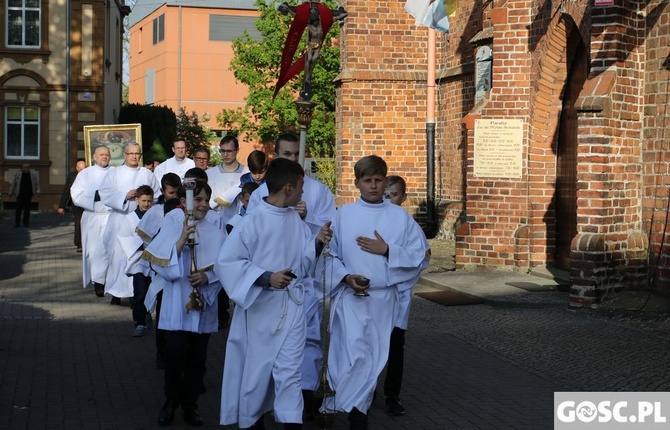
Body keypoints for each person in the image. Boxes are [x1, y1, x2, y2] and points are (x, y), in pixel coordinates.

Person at [216, 158, 332, 430]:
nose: (304, 192)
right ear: (289, 188)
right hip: (259, 312)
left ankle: (292, 422)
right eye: (301, 186)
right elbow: (228, 263)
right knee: (256, 375)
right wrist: (267, 277)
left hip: (292, 309)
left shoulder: (296, 221)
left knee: (291, 372)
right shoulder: (252, 222)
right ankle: (252, 422)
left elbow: (302, 266)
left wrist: (316, 243)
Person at [321, 155, 429, 430]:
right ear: (356, 183)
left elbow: (421, 255)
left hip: (383, 300)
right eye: (367, 180)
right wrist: (346, 277)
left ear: (385, 181)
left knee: (373, 359)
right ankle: (357, 415)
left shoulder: (399, 217)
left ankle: (357, 412)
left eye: (378, 180)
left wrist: (389, 250)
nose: (373, 186)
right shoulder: (343, 215)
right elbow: (329, 256)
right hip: (350, 298)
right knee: (355, 355)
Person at [246, 133, 336, 415]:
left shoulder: (318, 191)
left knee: (308, 338)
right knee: (270, 347)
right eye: (286, 154)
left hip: (304, 277)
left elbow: (326, 229)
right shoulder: (263, 194)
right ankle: (266, 402)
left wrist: (307, 218)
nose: (292, 158)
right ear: (276, 154)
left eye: (296, 153)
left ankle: (305, 394)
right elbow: (252, 240)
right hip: (271, 284)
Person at [142, 181, 225, 427]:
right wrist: (181, 240)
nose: (202, 205)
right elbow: (157, 263)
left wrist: (207, 276)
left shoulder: (216, 231)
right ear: (184, 203)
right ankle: (170, 402)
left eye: (205, 200)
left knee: (197, 361)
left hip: (203, 304)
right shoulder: (174, 225)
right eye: (197, 200)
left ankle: (190, 406)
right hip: (177, 303)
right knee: (175, 355)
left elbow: (227, 265)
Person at [382, 175, 430, 416]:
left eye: (394, 195)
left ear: (403, 197)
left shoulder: (407, 224)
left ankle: (392, 395)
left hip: (398, 294)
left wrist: (392, 255)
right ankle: (364, 392)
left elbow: (421, 256)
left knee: (395, 346)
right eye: (386, 194)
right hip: (373, 294)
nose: (389, 199)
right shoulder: (373, 218)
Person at [98, 143, 161, 304]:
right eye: (131, 153)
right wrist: (124, 197)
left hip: (142, 222)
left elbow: (157, 195)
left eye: (137, 153)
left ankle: (136, 293)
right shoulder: (115, 173)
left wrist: (145, 201)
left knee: (138, 257)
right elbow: (105, 193)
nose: (134, 156)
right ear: (125, 155)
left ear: (140, 155)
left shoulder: (147, 174)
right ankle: (116, 292)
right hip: (120, 219)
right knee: (118, 257)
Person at [136, 173, 182, 366]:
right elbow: (145, 235)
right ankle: (161, 352)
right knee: (163, 314)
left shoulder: (183, 210)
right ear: (163, 191)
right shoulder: (156, 211)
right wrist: (158, 248)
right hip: (163, 270)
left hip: (180, 270)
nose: (174, 195)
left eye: (176, 192)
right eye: (170, 192)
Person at [70, 146, 113, 294]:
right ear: (94, 156)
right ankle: (97, 282)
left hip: (110, 216)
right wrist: (95, 195)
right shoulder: (85, 174)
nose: (104, 157)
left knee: (110, 249)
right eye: (101, 154)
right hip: (93, 216)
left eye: (107, 155)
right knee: (94, 250)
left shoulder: (115, 172)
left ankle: (108, 280)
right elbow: (75, 194)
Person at [115, 185, 155, 337]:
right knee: (139, 292)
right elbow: (123, 237)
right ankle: (139, 322)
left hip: (154, 260)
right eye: (143, 201)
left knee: (153, 291)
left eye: (149, 201)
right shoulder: (129, 219)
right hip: (138, 260)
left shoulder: (156, 216)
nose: (146, 204)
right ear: (137, 199)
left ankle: (148, 313)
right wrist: (141, 245)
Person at [206, 135, 249, 211]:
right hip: (216, 218)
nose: (225, 155)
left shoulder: (247, 173)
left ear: (237, 150)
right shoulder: (209, 174)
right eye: (222, 151)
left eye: (229, 151)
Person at [58, 158, 87, 252]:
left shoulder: (89, 176)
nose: (83, 171)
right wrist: (61, 206)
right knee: (78, 223)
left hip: (88, 204)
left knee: (88, 224)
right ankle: (79, 244)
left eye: (84, 168)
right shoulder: (72, 177)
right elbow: (66, 191)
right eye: (81, 169)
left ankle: (88, 243)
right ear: (77, 168)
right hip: (77, 204)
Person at [9, 163, 40, 228]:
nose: (26, 168)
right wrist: (10, 192)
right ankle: (17, 223)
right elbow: (13, 184)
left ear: (29, 168)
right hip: (19, 194)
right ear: (22, 168)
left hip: (28, 195)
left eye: (27, 167)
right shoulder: (18, 175)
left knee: (27, 210)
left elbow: (37, 184)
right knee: (18, 209)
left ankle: (26, 223)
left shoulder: (33, 175)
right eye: (25, 167)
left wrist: (38, 191)